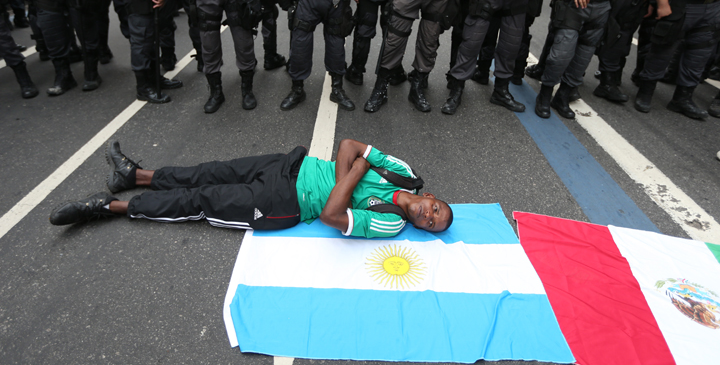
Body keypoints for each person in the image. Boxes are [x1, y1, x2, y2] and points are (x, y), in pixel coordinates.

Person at [49, 139, 454, 239]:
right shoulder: (404, 173)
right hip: (290, 164)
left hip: (283, 203)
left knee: (202, 201)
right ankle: (135, 176)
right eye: (436, 211)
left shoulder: (390, 223)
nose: (428, 217)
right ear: (431, 197)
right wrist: (345, 183)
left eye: (432, 226)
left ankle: (108, 207)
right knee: (210, 171)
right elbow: (348, 144)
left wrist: (351, 174)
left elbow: (332, 215)